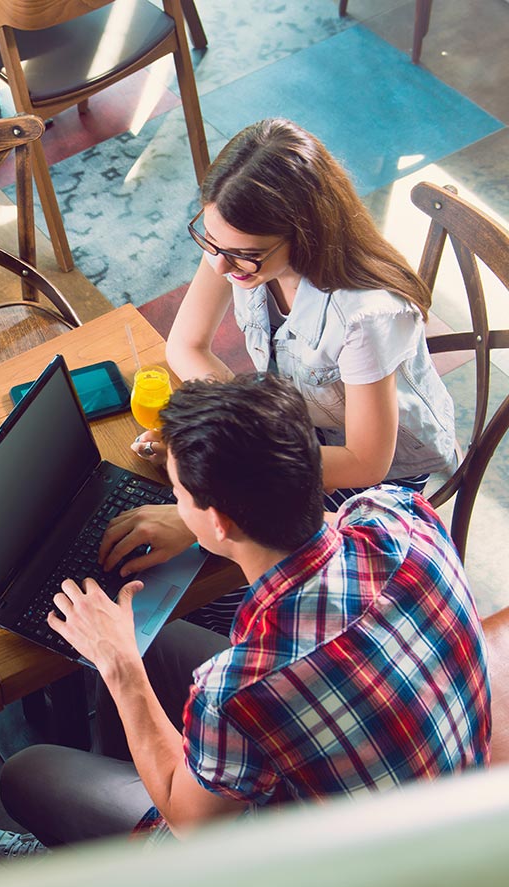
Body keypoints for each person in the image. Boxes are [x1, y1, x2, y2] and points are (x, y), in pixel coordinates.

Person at [0, 375, 490, 859]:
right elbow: (309, 527)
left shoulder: (240, 686)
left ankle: (121, 873)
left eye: (177, 496)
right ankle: (137, 782)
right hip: (443, 796)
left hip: (344, 871)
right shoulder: (400, 516)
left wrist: (118, 662)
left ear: (218, 521)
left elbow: (190, 821)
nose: (175, 504)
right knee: (157, 639)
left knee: (28, 772)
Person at [135, 118, 457, 634]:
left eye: (242, 255)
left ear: (305, 232)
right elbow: (186, 345)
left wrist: (233, 459)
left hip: (379, 472)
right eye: (209, 241)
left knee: (211, 572)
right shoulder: (234, 240)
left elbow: (366, 461)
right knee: (189, 526)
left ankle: (234, 653)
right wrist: (223, 429)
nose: (219, 267)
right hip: (299, 428)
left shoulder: (367, 315)